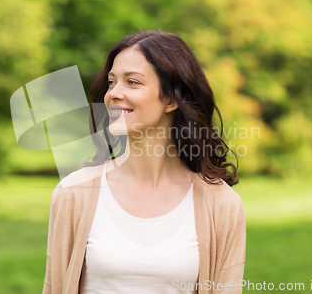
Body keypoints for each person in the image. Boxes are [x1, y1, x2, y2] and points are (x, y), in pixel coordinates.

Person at [42, 30, 246, 294]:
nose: (113, 93)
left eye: (133, 82)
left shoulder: (221, 204)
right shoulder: (73, 194)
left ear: (172, 99)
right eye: (112, 82)